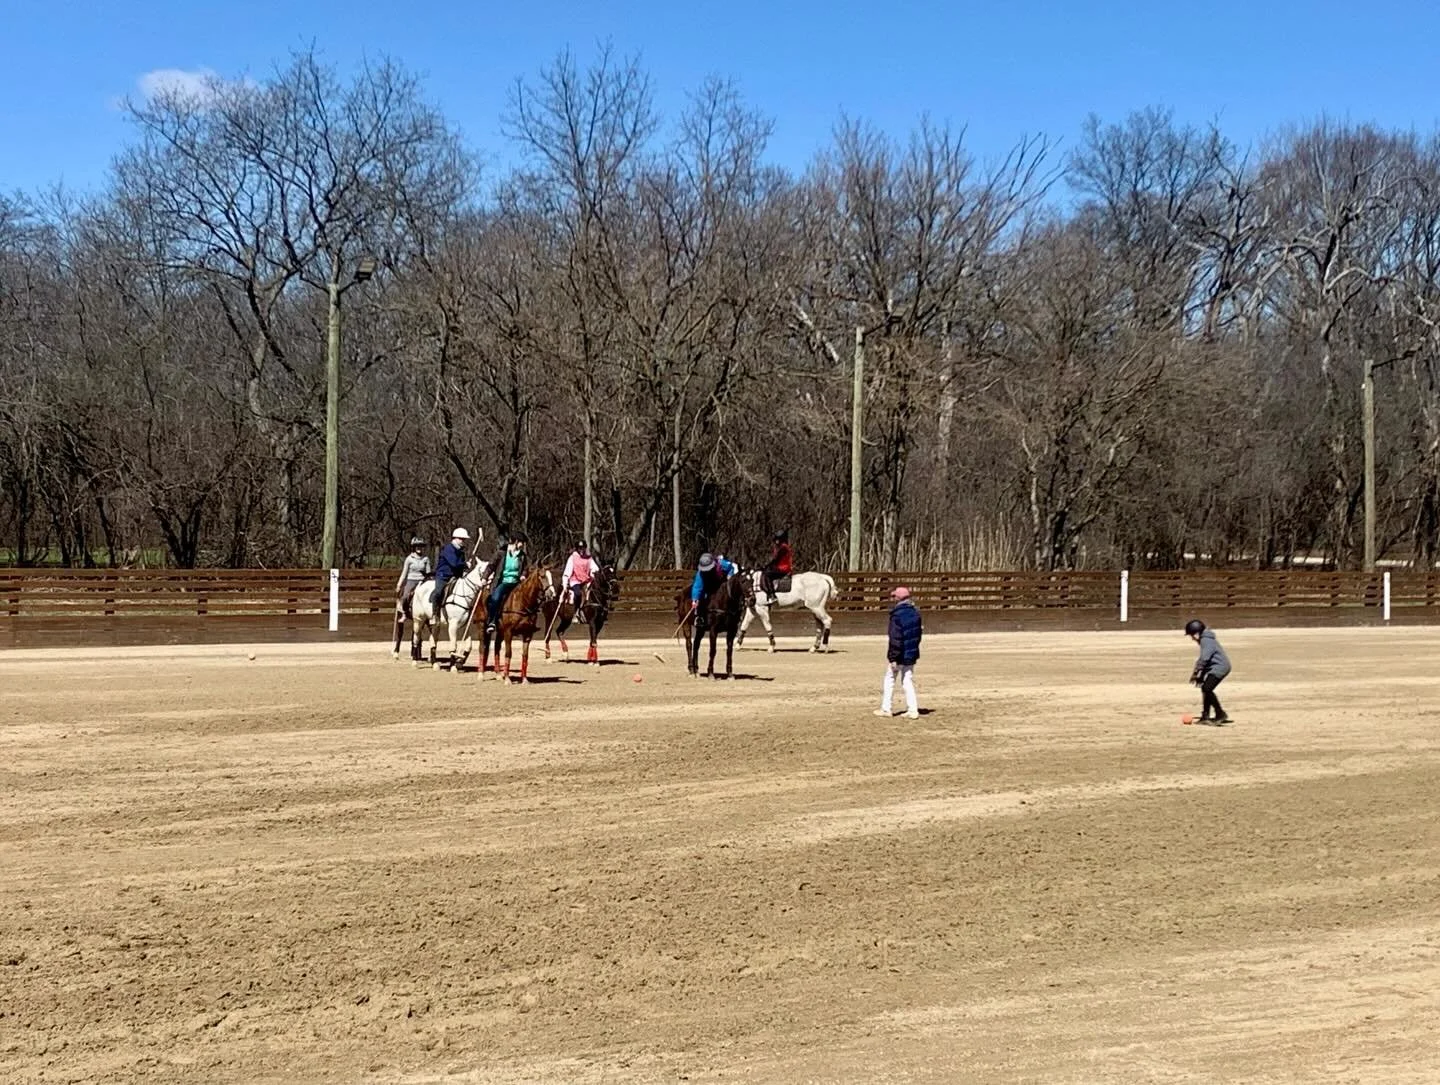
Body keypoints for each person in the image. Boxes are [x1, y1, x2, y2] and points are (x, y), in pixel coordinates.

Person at [876, 586, 922, 719]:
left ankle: (886, 708)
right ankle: (913, 710)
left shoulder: (896, 615)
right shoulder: (915, 613)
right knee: (907, 680)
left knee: (890, 678)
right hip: (911, 653)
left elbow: (895, 638)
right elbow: (918, 636)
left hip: (900, 654)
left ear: (898, 598)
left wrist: (893, 657)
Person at [1186, 618, 1232, 724]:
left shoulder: (1205, 640)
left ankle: (1220, 713)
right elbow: (1207, 660)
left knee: (1207, 689)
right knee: (1205, 688)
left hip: (1220, 667)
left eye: (1192, 635)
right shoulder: (1206, 639)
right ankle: (1205, 716)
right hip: (1215, 667)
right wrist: (1200, 676)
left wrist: (1196, 673)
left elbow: (1204, 658)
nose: (1192, 638)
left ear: (1197, 633)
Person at [485, 531, 529, 632]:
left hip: (516, 582)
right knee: (495, 599)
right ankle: (491, 621)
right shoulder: (501, 553)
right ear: (516, 541)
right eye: (522, 542)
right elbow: (491, 566)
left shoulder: (522, 556)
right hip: (503, 582)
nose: (523, 545)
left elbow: (526, 568)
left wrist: (523, 575)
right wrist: (485, 577)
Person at [430, 528, 472, 611]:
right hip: (443, 576)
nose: (462, 541)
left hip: (456, 576)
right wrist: (465, 564)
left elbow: (460, 566)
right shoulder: (448, 549)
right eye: (461, 539)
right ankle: (434, 612)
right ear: (455, 538)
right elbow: (454, 563)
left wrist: (465, 570)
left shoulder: (461, 551)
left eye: (464, 539)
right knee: (438, 592)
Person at [690, 552, 738, 617]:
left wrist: (730, 575)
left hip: (721, 583)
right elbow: (697, 587)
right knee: (702, 598)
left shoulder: (722, 564)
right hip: (708, 586)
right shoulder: (700, 574)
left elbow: (731, 568)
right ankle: (700, 616)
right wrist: (695, 599)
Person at [395, 536, 431, 617]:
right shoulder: (409, 559)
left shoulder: (426, 559)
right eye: (417, 546)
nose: (419, 548)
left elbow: (428, 573)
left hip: (422, 581)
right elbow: (404, 573)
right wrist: (399, 585)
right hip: (411, 580)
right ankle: (405, 613)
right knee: (405, 596)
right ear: (414, 547)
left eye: (421, 546)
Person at [563, 538, 600, 616]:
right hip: (575, 580)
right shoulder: (572, 558)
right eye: (580, 548)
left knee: (596, 591)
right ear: (577, 549)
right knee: (578, 594)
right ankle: (576, 612)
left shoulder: (588, 558)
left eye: (583, 548)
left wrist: (593, 572)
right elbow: (567, 571)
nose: (581, 550)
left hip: (586, 580)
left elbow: (595, 568)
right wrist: (565, 583)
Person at [763, 529, 794, 605]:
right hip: (781, 567)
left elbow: (776, 559)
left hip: (783, 568)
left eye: (777, 539)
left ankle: (772, 595)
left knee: (767, 575)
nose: (776, 541)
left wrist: (767, 565)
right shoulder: (782, 547)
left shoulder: (783, 548)